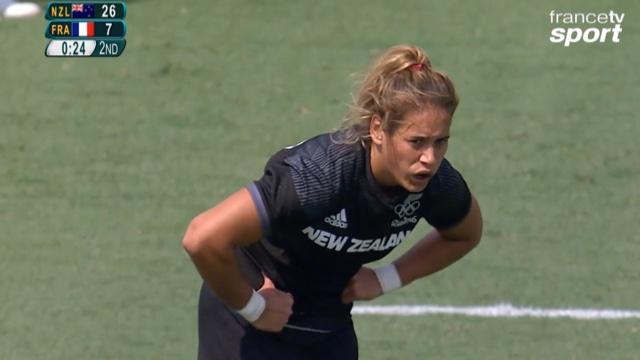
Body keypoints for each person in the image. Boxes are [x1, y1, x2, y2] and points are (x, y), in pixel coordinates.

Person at [182, 44, 483, 360]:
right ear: (378, 129)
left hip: (327, 324)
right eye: (416, 142)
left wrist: (386, 278)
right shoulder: (322, 175)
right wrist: (253, 306)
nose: (429, 158)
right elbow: (202, 237)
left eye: (441, 142)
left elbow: (465, 234)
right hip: (249, 315)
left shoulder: (435, 182)